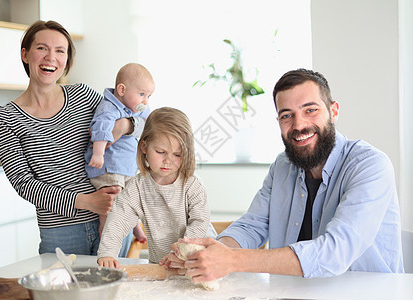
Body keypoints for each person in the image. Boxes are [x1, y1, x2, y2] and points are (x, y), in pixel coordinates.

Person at [162, 68, 404, 280]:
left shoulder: (370, 165)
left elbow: (335, 252)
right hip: (296, 291)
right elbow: (253, 225)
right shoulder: (283, 165)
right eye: (287, 115)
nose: (298, 125)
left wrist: (232, 260)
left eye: (310, 110)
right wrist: (211, 252)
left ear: (334, 111)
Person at [0, 20, 141, 255]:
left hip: (113, 218)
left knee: (114, 292)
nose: (51, 57)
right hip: (61, 230)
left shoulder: (82, 95)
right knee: (63, 292)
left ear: (66, 61)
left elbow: (143, 125)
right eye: (42, 48)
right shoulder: (6, 118)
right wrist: (86, 202)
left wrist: (124, 125)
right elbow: (23, 183)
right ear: (25, 54)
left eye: (60, 51)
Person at [97, 107, 216, 267]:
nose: (168, 160)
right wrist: (108, 253)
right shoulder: (137, 187)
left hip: (197, 263)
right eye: (161, 152)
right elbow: (119, 219)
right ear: (144, 147)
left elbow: (200, 222)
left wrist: (182, 252)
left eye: (177, 155)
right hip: (160, 265)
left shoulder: (192, 184)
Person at [85, 63, 155, 253]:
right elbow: (100, 130)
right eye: (142, 94)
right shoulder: (109, 108)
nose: (145, 101)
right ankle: (106, 232)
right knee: (111, 201)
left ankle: (135, 226)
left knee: (131, 199)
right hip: (108, 167)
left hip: (125, 168)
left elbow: (152, 121)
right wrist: (98, 153)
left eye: (149, 96)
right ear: (122, 90)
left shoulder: (135, 109)